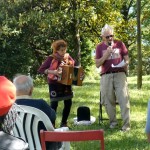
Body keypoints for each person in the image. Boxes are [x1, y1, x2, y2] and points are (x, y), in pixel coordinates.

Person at [95, 24, 130, 131]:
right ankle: (113, 122)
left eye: (112, 35)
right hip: (106, 75)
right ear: (102, 37)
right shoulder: (99, 47)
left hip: (120, 74)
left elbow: (127, 58)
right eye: (107, 36)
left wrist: (126, 63)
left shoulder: (120, 44)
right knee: (108, 100)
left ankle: (126, 125)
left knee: (123, 98)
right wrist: (106, 54)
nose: (110, 38)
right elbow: (97, 64)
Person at [38, 39, 75, 127]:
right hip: (54, 84)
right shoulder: (51, 58)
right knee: (54, 104)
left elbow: (73, 63)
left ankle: (64, 123)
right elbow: (41, 70)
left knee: (68, 102)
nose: (63, 52)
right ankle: (52, 125)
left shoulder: (67, 56)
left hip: (65, 83)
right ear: (56, 50)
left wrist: (69, 64)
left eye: (65, 49)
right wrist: (54, 72)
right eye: (61, 50)